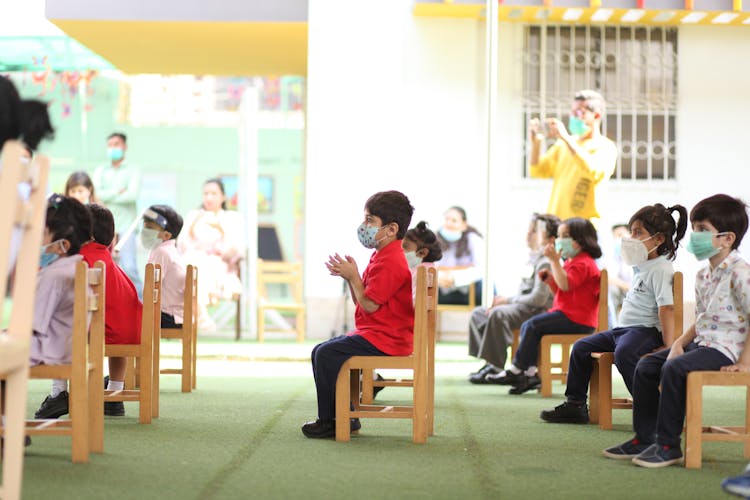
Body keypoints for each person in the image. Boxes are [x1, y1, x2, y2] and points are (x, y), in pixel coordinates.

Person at [603, 194, 750, 468]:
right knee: (646, 365)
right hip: (703, 343)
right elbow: (705, 319)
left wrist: (744, 361)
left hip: (727, 350)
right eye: (694, 229)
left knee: (676, 368)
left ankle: (669, 446)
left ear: (728, 238)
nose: (695, 236)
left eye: (703, 230)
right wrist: (680, 342)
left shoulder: (740, 272)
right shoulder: (703, 275)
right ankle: (644, 438)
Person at [541, 203, 687, 424]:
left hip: (644, 331)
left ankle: (650, 407)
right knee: (581, 347)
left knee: (625, 352)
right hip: (622, 330)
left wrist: (669, 345)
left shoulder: (660, 268)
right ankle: (576, 404)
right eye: (632, 231)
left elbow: (667, 308)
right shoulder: (642, 266)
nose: (630, 237)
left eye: (638, 232)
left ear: (658, 239)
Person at [301, 190, 414, 439]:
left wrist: (353, 276)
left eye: (370, 220)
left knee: (326, 353)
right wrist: (353, 278)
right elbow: (363, 302)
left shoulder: (392, 261)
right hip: (376, 333)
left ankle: (331, 420)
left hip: (387, 338)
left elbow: (370, 305)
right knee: (321, 350)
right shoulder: (381, 255)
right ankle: (344, 416)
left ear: (391, 228)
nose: (364, 226)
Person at [495, 217, 602, 395]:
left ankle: (518, 369)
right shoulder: (572, 262)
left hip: (577, 318)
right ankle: (529, 373)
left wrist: (553, 262)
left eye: (565, 236)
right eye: (559, 235)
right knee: (533, 327)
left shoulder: (583, 263)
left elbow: (566, 284)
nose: (560, 240)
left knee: (532, 325)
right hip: (569, 314)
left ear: (581, 240)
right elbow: (562, 289)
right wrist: (551, 280)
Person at [468, 213, 559, 384]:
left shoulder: (546, 262)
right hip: (524, 307)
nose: (528, 234)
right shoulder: (534, 258)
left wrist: (508, 300)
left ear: (550, 239)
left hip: (536, 311)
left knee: (498, 314)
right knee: (479, 313)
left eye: (534, 231)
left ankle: (495, 366)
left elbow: (538, 299)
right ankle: (490, 361)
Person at [32, 194, 93, 419]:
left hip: (48, 350)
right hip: (64, 347)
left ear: (62, 245)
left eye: (42, 235)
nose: (36, 241)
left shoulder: (53, 276)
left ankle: (9, 428)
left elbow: (33, 325)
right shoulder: (76, 268)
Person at [79, 204, 142, 417]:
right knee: (114, 327)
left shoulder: (82, 257)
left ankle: (60, 392)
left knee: (70, 326)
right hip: (130, 331)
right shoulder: (107, 259)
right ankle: (115, 391)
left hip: (102, 332)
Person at [529, 90, 618, 227]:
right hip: (557, 225)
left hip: (584, 227)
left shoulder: (606, 147)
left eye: (579, 112)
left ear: (596, 115)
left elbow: (593, 171)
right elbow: (537, 171)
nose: (573, 117)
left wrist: (565, 137)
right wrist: (536, 142)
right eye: (572, 112)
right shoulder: (563, 145)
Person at [177, 178, 244, 331]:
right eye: (206, 194)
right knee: (189, 264)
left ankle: (197, 314)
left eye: (214, 194)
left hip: (217, 263)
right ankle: (201, 315)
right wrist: (193, 226)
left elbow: (235, 248)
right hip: (192, 259)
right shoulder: (193, 215)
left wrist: (222, 231)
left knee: (200, 266)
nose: (209, 198)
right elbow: (182, 244)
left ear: (223, 197)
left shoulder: (232, 218)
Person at [92, 132, 142, 294]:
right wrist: (118, 192)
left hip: (127, 227)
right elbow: (97, 195)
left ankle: (141, 305)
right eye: (110, 144)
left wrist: (108, 195)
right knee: (103, 267)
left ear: (125, 147)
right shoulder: (101, 170)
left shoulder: (133, 169)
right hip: (104, 227)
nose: (113, 148)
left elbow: (132, 195)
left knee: (129, 268)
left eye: (117, 144)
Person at [141, 205, 187, 329]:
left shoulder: (162, 252)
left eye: (149, 227)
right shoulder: (169, 250)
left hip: (168, 317)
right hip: (178, 316)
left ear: (166, 235)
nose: (144, 230)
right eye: (144, 225)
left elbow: (150, 290)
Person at [435, 206, 484, 305]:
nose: (449, 223)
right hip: (443, 290)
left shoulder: (473, 239)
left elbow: (480, 269)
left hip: (470, 291)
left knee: (486, 287)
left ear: (464, 225)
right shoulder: (435, 241)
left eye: (454, 220)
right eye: (447, 219)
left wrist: (454, 277)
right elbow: (431, 267)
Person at [402, 220, 443, 300]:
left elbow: (412, 302)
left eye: (405, 247)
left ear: (422, 253)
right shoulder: (429, 269)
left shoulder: (421, 271)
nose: (400, 250)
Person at [608, 223, 633, 328]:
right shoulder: (615, 257)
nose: (618, 239)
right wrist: (628, 287)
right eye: (615, 237)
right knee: (610, 290)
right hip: (623, 291)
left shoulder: (639, 256)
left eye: (621, 235)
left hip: (637, 293)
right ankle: (611, 328)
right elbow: (610, 278)